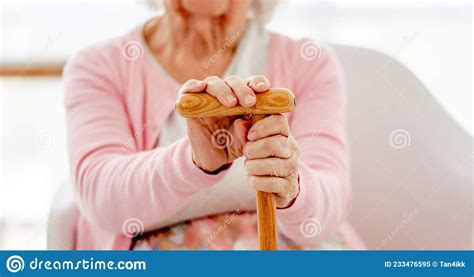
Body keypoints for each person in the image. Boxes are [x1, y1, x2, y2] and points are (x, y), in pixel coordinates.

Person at [64, 0, 364, 250]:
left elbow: (328, 207)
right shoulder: (98, 65)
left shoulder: (308, 62)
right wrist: (193, 160)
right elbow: (102, 199)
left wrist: (292, 185)